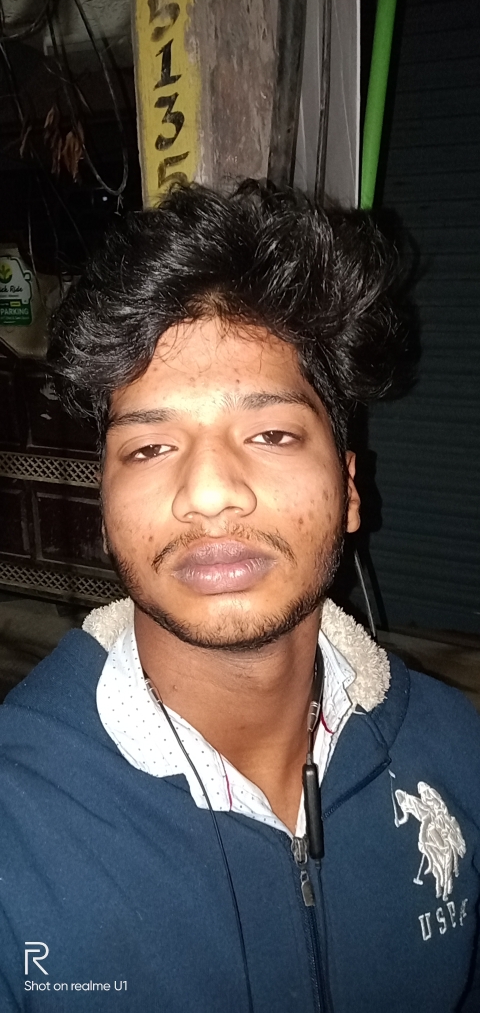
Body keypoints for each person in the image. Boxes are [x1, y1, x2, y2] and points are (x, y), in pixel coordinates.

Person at [0, 183, 478, 1013]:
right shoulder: (18, 820)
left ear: (350, 489)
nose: (210, 492)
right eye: (150, 447)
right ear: (105, 507)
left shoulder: (455, 751)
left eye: (271, 434)